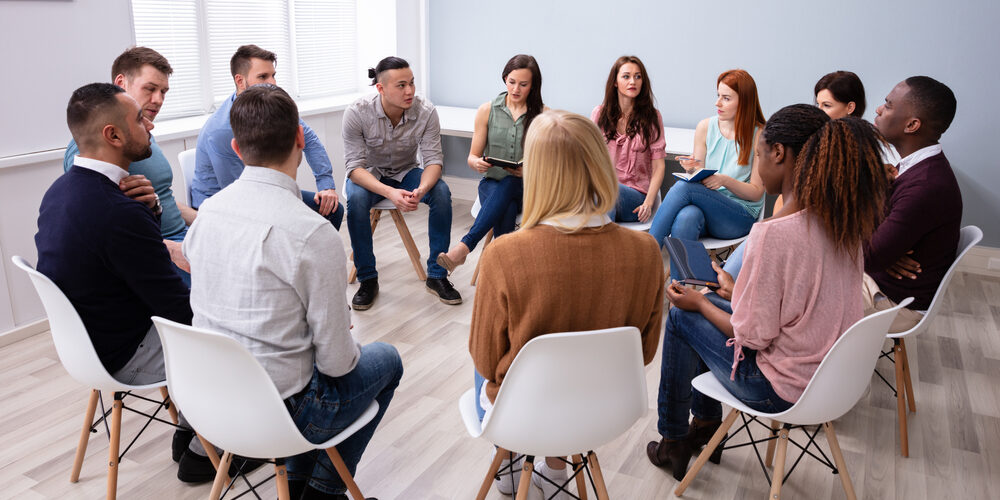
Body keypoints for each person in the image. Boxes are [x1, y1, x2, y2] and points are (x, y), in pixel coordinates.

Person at [184, 84, 403, 500]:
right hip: (282, 415)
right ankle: (321, 492)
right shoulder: (312, 233)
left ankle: (305, 484)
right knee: (387, 360)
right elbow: (338, 365)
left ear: (235, 147)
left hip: (210, 402)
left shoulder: (208, 213)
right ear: (300, 139)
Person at [646, 109, 889, 481]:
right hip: (832, 379)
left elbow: (753, 337)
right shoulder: (844, 224)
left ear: (779, 153)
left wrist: (698, 303)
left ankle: (675, 440)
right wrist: (734, 289)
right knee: (709, 299)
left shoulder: (774, 234)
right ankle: (705, 426)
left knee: (683, 314)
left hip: (778, 389)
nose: (758, 165)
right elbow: (797, 304)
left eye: (759, 156)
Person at [470, 110, 664, 499]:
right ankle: (558, 469)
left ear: (536, 173)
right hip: (607, 408)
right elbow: (643, 352)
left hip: (524, 413)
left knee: (489, 355)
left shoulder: (504, 254)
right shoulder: (646, 251)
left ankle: (508, 464)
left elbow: (487, 361)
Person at [36, 82, 220, 482]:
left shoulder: (60, 192)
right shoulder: (116, 212)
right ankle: (205, 451)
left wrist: (150, 210)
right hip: (124, 354)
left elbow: (122, 262)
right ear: (113, 135)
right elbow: (178, 310)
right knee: (235, 329)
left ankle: (193, 428)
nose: (149, 126)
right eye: (139, 119)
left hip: (84, 347)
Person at [62, 47, 195, 286]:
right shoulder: (94, 149)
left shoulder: (142, 133)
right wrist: (170, 249)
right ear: (121, 82)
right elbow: (98, 229)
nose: (159, 100)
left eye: (164, 91)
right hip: (156, 251)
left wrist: (202, 220)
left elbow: (161, 196)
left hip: (181, 238)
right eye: (150, 89)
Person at [342, 56, 459, 309]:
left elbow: (433, 161)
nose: (410, 91)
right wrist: (390, 193)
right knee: (357, 199)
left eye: (412, 83)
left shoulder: (426, 111)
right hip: (369, 175)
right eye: (401, 85)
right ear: (381, 88)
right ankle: (368, 279)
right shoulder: (357, 112)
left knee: (441, 193)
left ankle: (437, 276)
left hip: (407, 172)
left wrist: (421, 189)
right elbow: (354, 168)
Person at [192, 44, 343, 229]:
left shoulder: (270, 106)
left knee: (332, 210)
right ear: (240, 81)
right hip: (221, 208)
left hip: (260, 190)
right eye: (263, 77)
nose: (272, 82)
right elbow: (239, 194)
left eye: (273, 75)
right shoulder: (220, 131)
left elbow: (309, 140)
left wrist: (325, 184)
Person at [647, 69, 766, 282]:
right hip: (706, 210)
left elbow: (756, 193)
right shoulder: (706, 127)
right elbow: (699, 173)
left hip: (738, 216)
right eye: (718, 95)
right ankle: (679, 295)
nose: (717, 103)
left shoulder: (760, 135)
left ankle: (645, 255)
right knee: (686, 216)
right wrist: (691, 168)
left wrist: (724, 181)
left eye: (726, 98)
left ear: (745, 102)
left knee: (684, 188)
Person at [866, 76, 961, 332]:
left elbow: (869, 256)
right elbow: (875, 238)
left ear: (911, 124)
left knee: (800, 283)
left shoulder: (926, 186)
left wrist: (879, 251)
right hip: (882, 281)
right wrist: (882, 248)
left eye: (888, 105)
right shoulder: (914, 167)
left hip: (896, 304)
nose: (878, 110)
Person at [436, 54, 544, 272]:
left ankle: (464, 248)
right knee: (506, 201)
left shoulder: (542, 115)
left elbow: (550, 165)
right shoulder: (487, 110)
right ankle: (506, 272)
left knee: (511, 184)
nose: (515, 89)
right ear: (505, 78)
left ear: (533, 86)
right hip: (492, 184)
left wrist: (528, 171)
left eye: (523, 84)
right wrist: (477, 164)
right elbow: (472, 156)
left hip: (528, 188)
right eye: (511, 82)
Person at [591, 55, 666, 223]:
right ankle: (603, 247)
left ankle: (596, 246)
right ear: (615, 82)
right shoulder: (599, 114)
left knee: (607, 192)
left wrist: (648, 203)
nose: (633, 81)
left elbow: (659, 166)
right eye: (626, 76)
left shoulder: (653, 117)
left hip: (636, 199)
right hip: (602, 194)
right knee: (600, 194)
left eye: (638, 77)